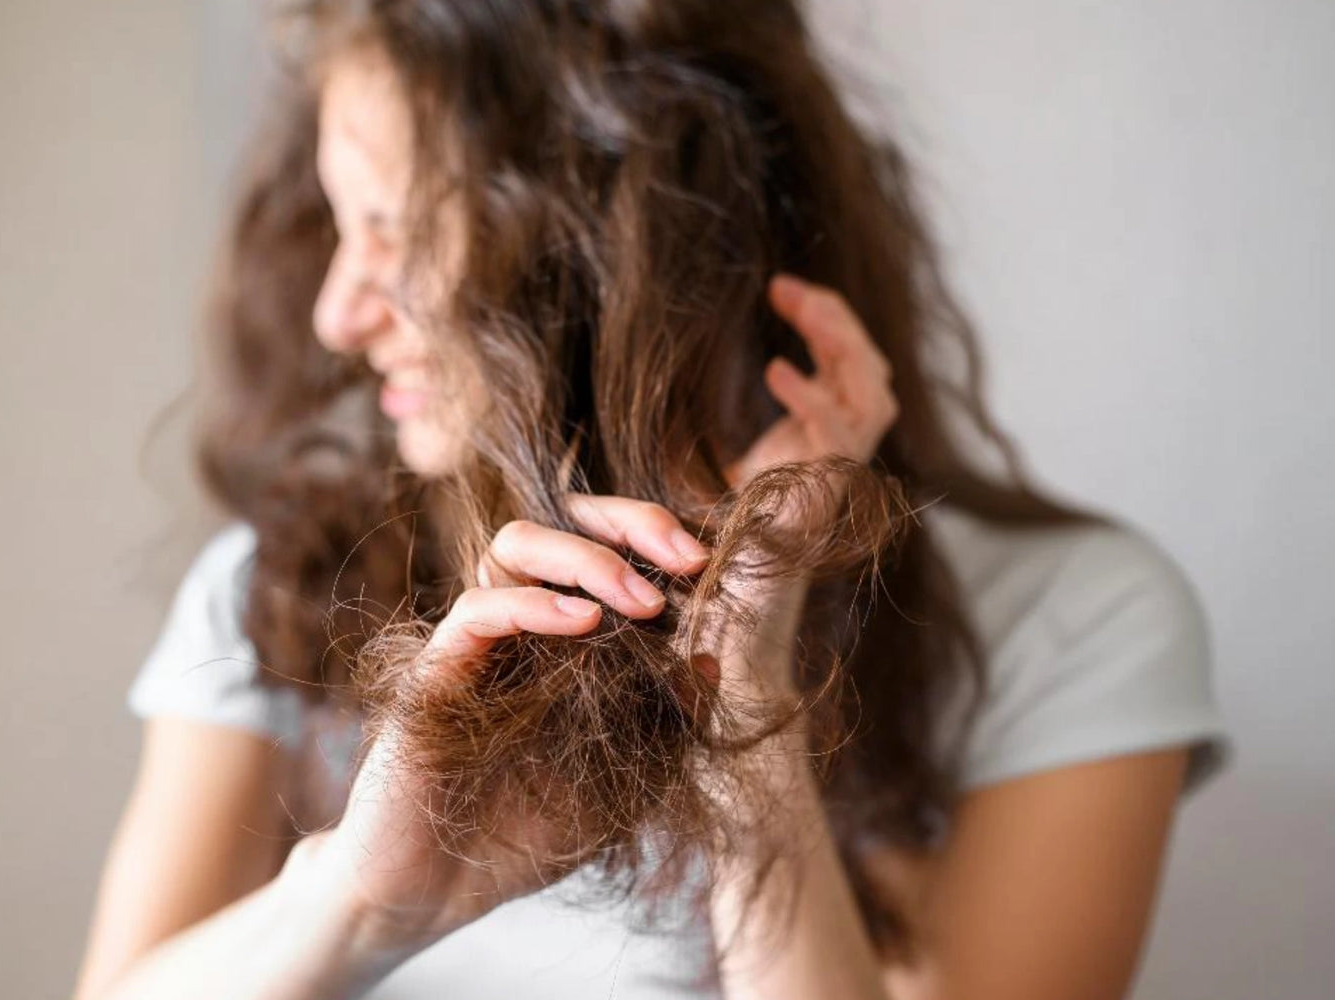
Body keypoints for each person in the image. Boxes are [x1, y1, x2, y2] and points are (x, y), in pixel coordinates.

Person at [73, 2, 1228, 998]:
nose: (337, 313)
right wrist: (359, 899)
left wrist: (751, 704)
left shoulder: (1078, 617)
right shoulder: (276, 586)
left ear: (625, 247)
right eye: (340, 226)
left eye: (397, 229)